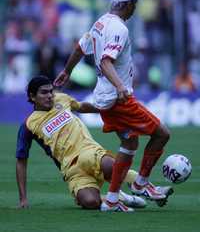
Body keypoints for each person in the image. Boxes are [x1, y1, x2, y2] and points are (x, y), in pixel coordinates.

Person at [54, 0, 171, 211]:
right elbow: (106, 60)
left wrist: (67, 71)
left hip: (103, 97)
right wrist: (120, 86)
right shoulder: (119, 28)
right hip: (118, 100)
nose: (135, 9)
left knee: (129, 142)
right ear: (127, 4)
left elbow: (79, 48)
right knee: (161, 134)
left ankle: (113, 198)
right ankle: (141, 184)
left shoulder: (100, 23)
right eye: (134, 4)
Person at [16, 76, 173, 212]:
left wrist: (105, 109)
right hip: (70, 168)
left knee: (111, 167)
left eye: (51, 91)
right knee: (90, 202)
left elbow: (81, 106)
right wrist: (23, 199)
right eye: (44, 92)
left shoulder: (61, 99)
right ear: (32, 96)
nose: (50, 95)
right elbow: (21, 161)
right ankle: (119, 197)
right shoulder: (29, 124)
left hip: (88, 151)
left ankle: (147, 187)